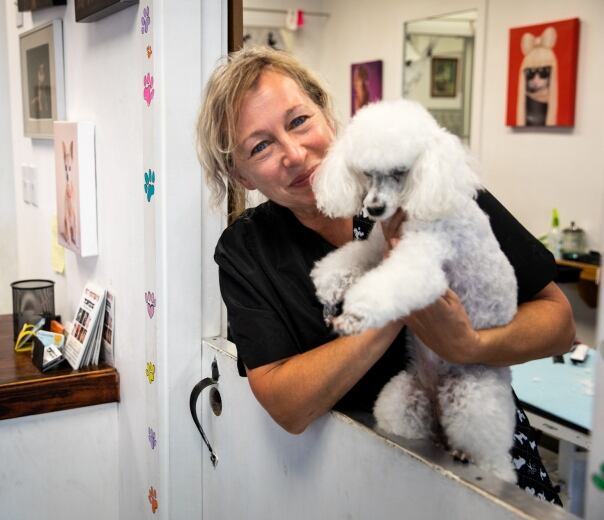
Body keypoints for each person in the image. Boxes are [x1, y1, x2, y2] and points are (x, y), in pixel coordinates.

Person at [196, 46, 574, 504]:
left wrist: (471, 346)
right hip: (365, 481)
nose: (294, 153)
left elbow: (558, 322)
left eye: (299, 121)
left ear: (325, 113)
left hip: (487, 457)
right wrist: (396, 304)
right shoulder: (247, 251)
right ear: (241, 176)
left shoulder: (425, 183)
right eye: (261, 146)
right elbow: (286, 405)